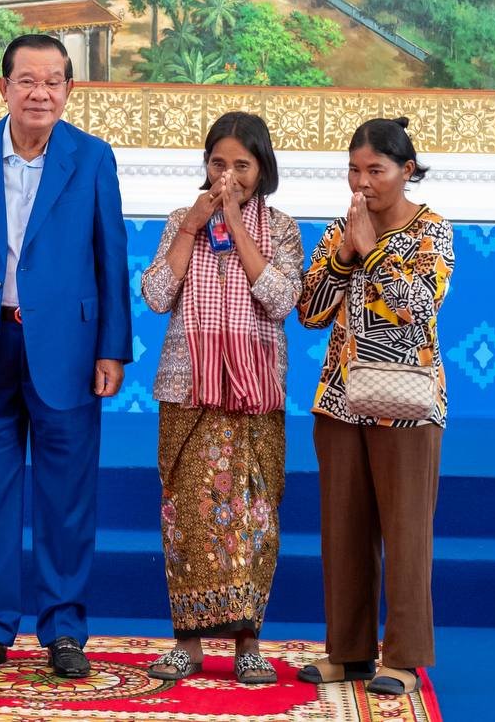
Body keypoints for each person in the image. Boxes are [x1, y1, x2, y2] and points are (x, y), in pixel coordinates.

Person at [0, 34, 132, 678]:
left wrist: (112, 349)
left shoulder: (91, 158)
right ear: (3, 87)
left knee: (66, 495)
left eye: (53, 82)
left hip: (67, 348)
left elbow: (110, 257)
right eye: (27, 81)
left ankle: (64, 629)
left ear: (69, 89)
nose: (40, 93)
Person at [140, 112, 302, 684]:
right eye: (217, 163)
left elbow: (281, 300)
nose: (228, 175)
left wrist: (235, 223)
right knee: (187, 518)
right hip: (189, 390)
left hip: (255, 394)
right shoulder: (179, 220)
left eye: (241, 165)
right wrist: (193, 226)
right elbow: (157, 295)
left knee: (253, 519)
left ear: (263, 169)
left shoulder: (281, 229)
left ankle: (247, 645)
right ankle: (187, 644)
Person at [296, 117, 454, 696]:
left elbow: (419, 310)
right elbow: (309, 312)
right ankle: (350, 652)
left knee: (407, 531)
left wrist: (374, 252)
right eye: (354, 170)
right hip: (340, 400)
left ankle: (405, 658)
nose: (362, 183)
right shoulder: (340, 229)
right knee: (343, 531)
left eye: (376, 171)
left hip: (407, 401)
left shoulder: (432, 231)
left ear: (406, 170)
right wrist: (344, 253)